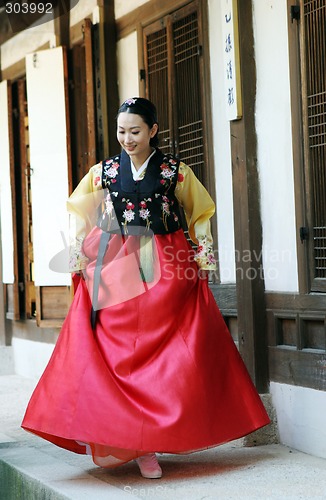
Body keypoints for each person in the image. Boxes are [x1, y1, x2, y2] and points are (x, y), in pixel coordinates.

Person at [22, 97, 270, 479]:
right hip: (118, 262)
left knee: (169, 355)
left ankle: (153, 438)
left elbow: (200, 211)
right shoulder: (102, 172)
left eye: (135, 131)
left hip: (167, 262)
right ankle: (129, 440)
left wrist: (202, 256)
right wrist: (77, 253)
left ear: (153, 131)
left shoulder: (175, 172)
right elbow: (80, 212)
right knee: (115, 349)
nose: (127, 139)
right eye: (121, 131)